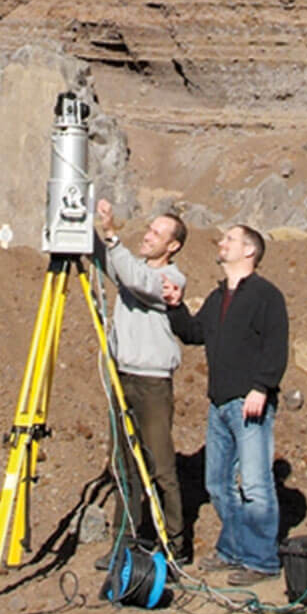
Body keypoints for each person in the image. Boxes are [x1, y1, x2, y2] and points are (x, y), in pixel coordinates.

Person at [160, 225, 288, 587]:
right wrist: (175, 305)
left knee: (255, 483)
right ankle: (233, 549)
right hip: (219, 403)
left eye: (230, 239)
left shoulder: (266, 296)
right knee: (217, 483)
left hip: (249, 402)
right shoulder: (219, 298)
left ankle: (262, 559)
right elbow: (195, 333)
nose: (222, 243)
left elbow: (277, 346)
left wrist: (262, 387)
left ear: (249, 251)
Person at [91, 198, 189, 567]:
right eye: (148, 231)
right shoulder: (133, 267)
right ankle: (125, 542)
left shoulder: (170, 280)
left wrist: (113, 235)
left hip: (151, 383)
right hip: (123, 378)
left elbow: (137, 279)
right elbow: (109, 263)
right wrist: (84, 221)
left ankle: (174, 544)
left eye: (156, 234)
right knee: (124, 464)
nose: (147, 237)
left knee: (160, 465)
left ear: (173, 245)